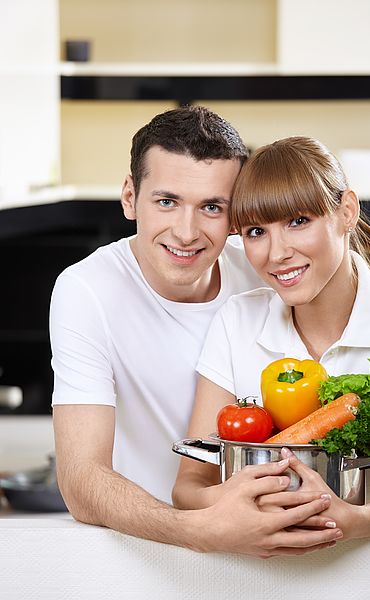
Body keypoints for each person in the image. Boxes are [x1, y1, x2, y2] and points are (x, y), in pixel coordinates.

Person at [50, 108, 343, 557]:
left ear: (234, 215)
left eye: (211, 207)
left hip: (291, 540)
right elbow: (81, 480)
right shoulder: (86, 290)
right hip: (149, 547)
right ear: (130, 197)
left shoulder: (268, 268)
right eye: (166, 201)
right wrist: (199, 531)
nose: (186, 233)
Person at [172, 136, 370, 541]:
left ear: (347, 211)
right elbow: (190, 485)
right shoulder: (238, 320)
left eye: (298, 221)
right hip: (254, 571)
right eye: (257, 231)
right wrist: (240, 501)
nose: (276, 254)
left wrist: (355, 519)